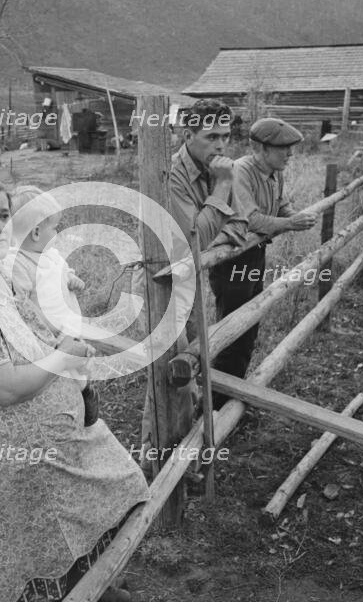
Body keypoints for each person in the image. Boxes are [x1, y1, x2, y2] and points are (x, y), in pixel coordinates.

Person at [0, 173, 148, 602]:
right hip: (2, 451)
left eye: (5, 215)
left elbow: (35, 332)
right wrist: (63, 354)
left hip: (47, 434)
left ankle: (92, 589)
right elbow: (3, 389)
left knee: (100, 503)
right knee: (21, 549)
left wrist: (64, 347)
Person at [139, 99, 249, 475]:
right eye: (211, 137)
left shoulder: (217, 169)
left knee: (187, 368)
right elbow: (193, 238)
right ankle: (160, 464)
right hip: (162, 283)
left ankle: (175, 459)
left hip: (190, 279)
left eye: (226, 136)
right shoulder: (170, 174)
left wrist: (218, 230)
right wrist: (221, 188)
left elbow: (241, 225)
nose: (221, 146)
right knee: (170, 372)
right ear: (188, 135)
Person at [209, 117, 317, 381]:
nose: (290, 154)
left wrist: (295, 216)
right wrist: (290, 223)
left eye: (290, 148)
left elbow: (281, 206)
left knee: (250, 324)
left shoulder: (274, 173)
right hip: (232, 259)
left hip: (255, 255)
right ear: (261, 149)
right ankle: (217, 400)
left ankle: (233, 392)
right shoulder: (240, 171)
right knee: (232, 328)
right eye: (283, 148)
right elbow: (251, 219)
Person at [7, 184, 98, 426]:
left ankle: (83, 393)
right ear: (36, 232)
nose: (57, 234)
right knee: (61, 371)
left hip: (66, 326)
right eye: (54, 228)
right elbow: (20, 301)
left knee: (78, 363)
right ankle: (76, 402)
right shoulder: (20, 263)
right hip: (47, 336)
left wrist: (70, 278)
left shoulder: (50, 253)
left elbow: (61, 270)